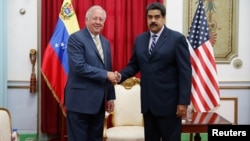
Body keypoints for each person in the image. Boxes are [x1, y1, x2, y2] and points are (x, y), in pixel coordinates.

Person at [115, 2, 192, 141]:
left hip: (170, 106)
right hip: (148, 105)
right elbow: (134, 65)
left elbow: (185, 73)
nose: (153, 20)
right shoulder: (140, 39)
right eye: (150, 17)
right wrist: (119, 75)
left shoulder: (177, 39)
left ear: (164, 18)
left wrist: (183, 102)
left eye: (157, 17)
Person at [64, 5, 117, 141]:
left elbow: (108, 68)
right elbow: (79, 67)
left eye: (101, 19)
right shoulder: (76, 39)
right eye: (94, 18)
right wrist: (106, 75)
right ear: (86, 20)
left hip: (98, 103)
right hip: (79, 102)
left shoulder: (105, 42)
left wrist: (110, 96)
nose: (98, 22)